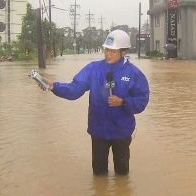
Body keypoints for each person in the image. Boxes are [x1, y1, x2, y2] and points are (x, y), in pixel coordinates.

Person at [38, 29, 150, 175]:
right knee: (99, 174)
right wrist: (54, 86)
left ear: (123, 52)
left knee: (122, 174)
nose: (107, 54)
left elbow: (142, 100)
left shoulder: (134, 73)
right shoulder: (93, 69)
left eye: (112, 51)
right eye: (106, 50)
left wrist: (123, 102)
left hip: (121, 131)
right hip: (98, 130)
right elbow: (75, 89)